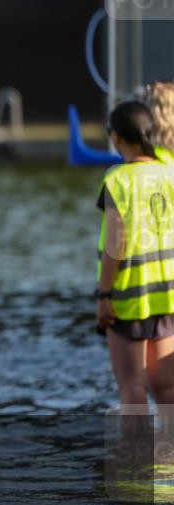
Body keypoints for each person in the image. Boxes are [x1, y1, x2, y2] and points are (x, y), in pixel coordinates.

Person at [95, 102, 174, 420]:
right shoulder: (169, 174)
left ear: (116, 137)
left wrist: (103, 295)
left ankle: (136, 464)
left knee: (132, 386)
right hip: (168, 295)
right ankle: (170, 459)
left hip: (128, 297)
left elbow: (116, 243)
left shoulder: (118, 181)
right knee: (168, 389)